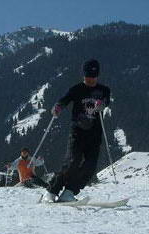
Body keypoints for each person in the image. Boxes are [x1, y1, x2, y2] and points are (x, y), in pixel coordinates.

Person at [43, 59, 111, 202]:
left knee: (90, 166)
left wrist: (102, 105)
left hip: (95, 134)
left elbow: (106, 101)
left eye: (93, 77)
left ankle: (69, 192)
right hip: (77, 133)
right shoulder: (77, 89)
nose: (91, 80)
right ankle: (51, 191)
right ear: (83, 75)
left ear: (97, 75)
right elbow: (64, 100)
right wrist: (58, 107)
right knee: (72, 162)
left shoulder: (104, 90)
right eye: (88, 77)